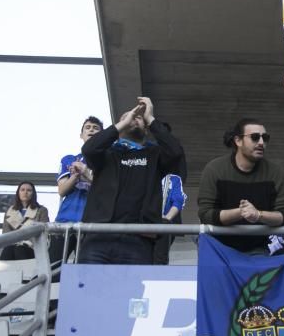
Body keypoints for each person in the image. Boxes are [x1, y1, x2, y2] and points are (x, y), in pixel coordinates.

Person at [77, 97, 184, 264]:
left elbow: (175, 152)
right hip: (98, 237)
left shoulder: (154, 155)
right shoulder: (106, 154)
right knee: (90, 289)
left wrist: (150, 118)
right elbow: (89, 149)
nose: (133, 118)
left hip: (138, 240)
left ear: (146, 129)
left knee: (131, 291)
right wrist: (120, 125)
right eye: (127, 117)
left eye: (138, 118)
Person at [198, 118, 284, 254]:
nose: (261, 142)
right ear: (238, 141)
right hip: (219, 249)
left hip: (261, 250)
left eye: (265, 138)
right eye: (255, 137)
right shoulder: (214, 169)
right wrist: (240, 213)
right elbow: (205, 214)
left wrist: (258, 215)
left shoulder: (275, 172)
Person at [51, 116, 102, 262]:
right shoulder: (69, 159)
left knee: (83, 274)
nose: (91, 129)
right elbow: (62, 190)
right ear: (81, 135)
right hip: (64, 223)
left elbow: (106, 192)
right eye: (88, 127)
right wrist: (75, 176)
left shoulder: (108, 162)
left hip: (92, 226)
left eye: (96, 128)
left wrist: (86, 174)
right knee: (54, 269)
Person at [0, 182, 50, 261]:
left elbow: (43, 231)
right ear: (18, 193)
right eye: (22, 190)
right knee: (9, 249)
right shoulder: (9, 211)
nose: (25, 192)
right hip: (12, 246)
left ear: (33, 194)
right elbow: (5, 233)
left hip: (32, 247)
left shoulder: (41, 210)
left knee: (20, 249)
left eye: (29, 190)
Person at [153, 173, 186, 264]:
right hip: (145, 223)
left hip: (164, 225)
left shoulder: (174, 179)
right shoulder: (143, 174)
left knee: (159, 259)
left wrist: (166, 219)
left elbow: (178, 201)